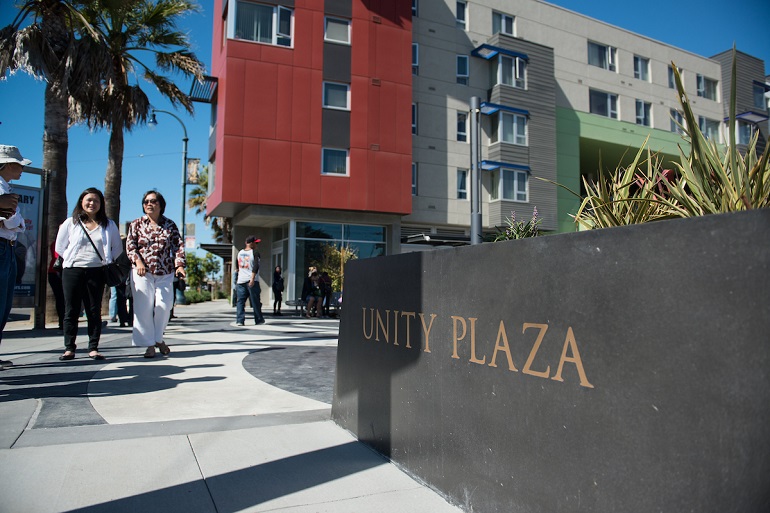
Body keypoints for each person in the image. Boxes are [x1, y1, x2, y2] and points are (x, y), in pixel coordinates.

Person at [55, 187, 123, 361]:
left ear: (101, 204)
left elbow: (117, 249)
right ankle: (69, 348)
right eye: (89, 200)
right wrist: (73, 260)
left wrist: (106, 262)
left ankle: (93, 348)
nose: (92, 203)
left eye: (96, 200)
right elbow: (60, 247)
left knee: (94, 310)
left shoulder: (109, 225)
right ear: (81, 202)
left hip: (97, 271)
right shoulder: (71, 223)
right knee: (71, 310)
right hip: (72, 270)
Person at [126, 190, 185, 358]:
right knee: (143, 309)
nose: (149, 204)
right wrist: (138, 262)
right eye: (146, 201)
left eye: (153, 201)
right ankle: (150, 344)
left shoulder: (170, 225)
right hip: (142, 272)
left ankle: (158, 338)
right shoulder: (136, 224)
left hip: (165, 272)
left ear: (161, 205)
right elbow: (130, 246)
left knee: (164, 306)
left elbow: (178, 246)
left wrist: (179, 265)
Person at [0, 145, 28, 370]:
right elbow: (12, 222)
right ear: (7, 164)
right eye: (18, 164)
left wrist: (12, 220)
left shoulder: (6, 187)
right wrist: (11, 220)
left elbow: (15, 222)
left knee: (4, 304)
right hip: (2, 245)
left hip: (7, 247)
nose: (21, 168)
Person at [235, 235, 265, 326]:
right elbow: (256, 266)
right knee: (255, 301)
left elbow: (237, 267)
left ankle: (240, 320)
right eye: (256, 243)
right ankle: (258, 319)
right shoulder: (255, 252)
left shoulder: (239, 253)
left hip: (241, 280)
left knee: (240, 301)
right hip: (251, 280)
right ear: (251, 243)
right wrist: (252, 278)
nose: (257, 245)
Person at [47, 242, 65, 331]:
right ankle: (63, 323)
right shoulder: (61, 243)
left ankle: (62, 322)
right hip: (60, 271)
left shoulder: (55, 243)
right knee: (62, 299)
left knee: (60, 298)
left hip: (54, 271)